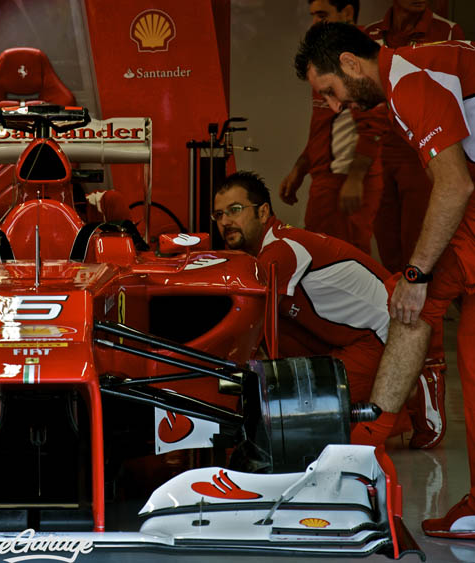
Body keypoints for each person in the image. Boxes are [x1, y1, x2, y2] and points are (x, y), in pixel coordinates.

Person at [294, 21, 475, 538]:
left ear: (351, 63)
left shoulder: (411, 81)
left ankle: (363, 446)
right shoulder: (412, 73)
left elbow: (454, 184)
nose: (331, 107)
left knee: (413, 299)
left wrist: (416, 273)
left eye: (329, 91)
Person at [362, 0, 464, 450]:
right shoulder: (368, 37)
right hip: (392, 163)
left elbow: (456, 182)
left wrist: (418, 273)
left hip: (438, 162)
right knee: (399, 283)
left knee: (418, 286)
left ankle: (414, 418)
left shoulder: (442, 33)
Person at [214, 171, 392, 406]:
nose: (225, 221)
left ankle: (410, 390)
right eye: (219, 214)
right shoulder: (265, 249)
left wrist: (215, 375)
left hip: (376, 339)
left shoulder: (280, 249)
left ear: (263, 211)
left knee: (320, 420)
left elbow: (249, 329)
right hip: (341, 337)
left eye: (235, 209)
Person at [280, 0, 387, 256]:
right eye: (312, 15)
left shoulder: (361, 58)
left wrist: (356, 177)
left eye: (322, 14)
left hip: (347, 175)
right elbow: (321, 125)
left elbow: (374, 122)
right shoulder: (324, 60)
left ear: (347, 13)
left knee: (348, 259)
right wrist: (300, 167)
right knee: (319, 252)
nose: (315, 22)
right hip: (324, 175)